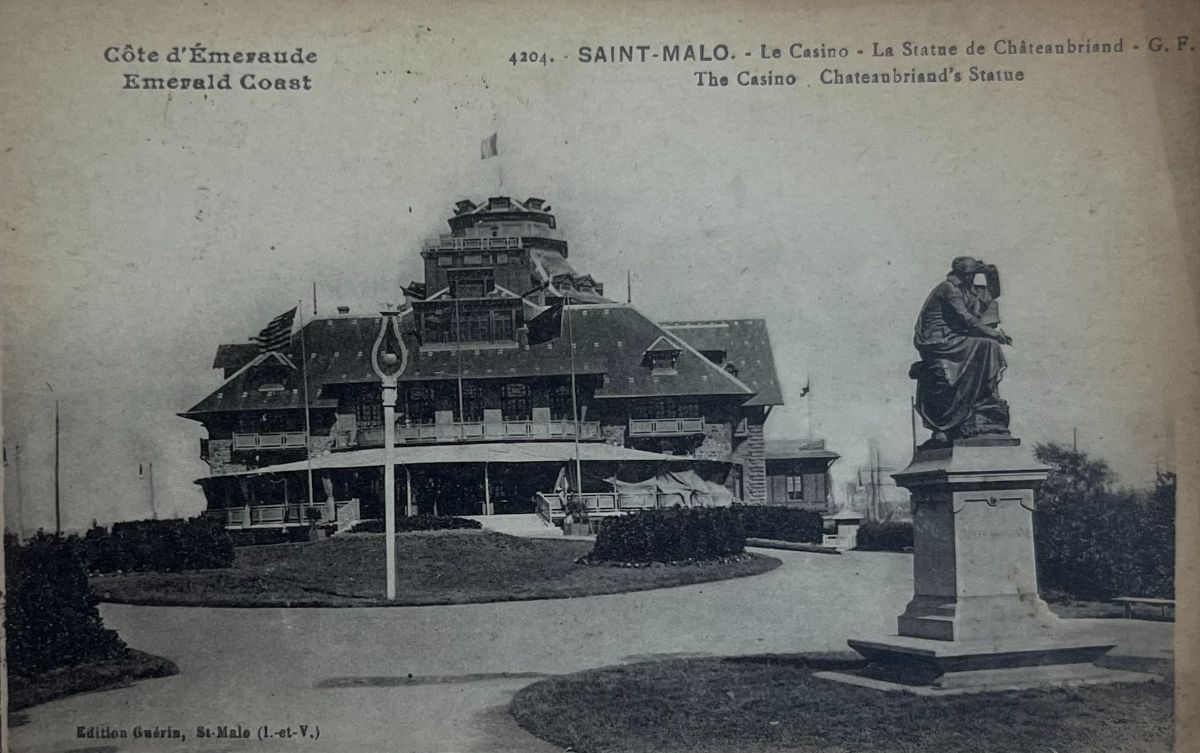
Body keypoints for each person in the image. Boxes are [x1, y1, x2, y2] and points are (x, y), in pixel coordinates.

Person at [911, 257, 1012, 442]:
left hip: (954, 337)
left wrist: (990, 272)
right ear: (961, 274)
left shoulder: (968, 289)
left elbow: (993, 293)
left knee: (989, 345)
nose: (972, 278)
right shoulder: (948, 289)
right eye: (969, 274)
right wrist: (993, 333)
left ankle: (986, 395)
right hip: (937, 341)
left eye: (974, 274)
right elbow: (966, 318)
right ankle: (981, 397)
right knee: (987, 344)